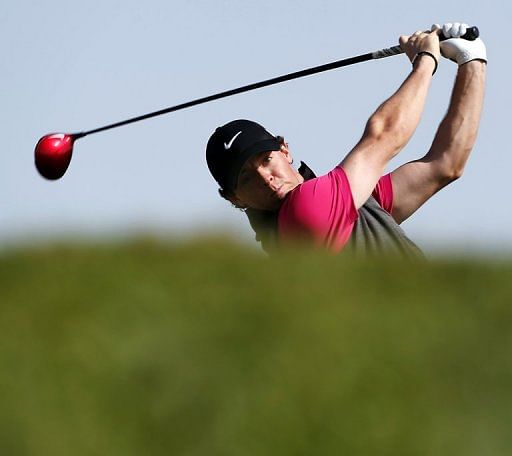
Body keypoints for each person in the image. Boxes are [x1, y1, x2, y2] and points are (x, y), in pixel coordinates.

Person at [206, 23, 487, 256]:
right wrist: (425, 61)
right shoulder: (303, 211)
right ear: (234, 199)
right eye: (246, 178)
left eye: (266, 160)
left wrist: (472, 60)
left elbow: (445, 165)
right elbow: (384, 135)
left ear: (284, 150)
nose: (266, 178)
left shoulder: (341, 207)